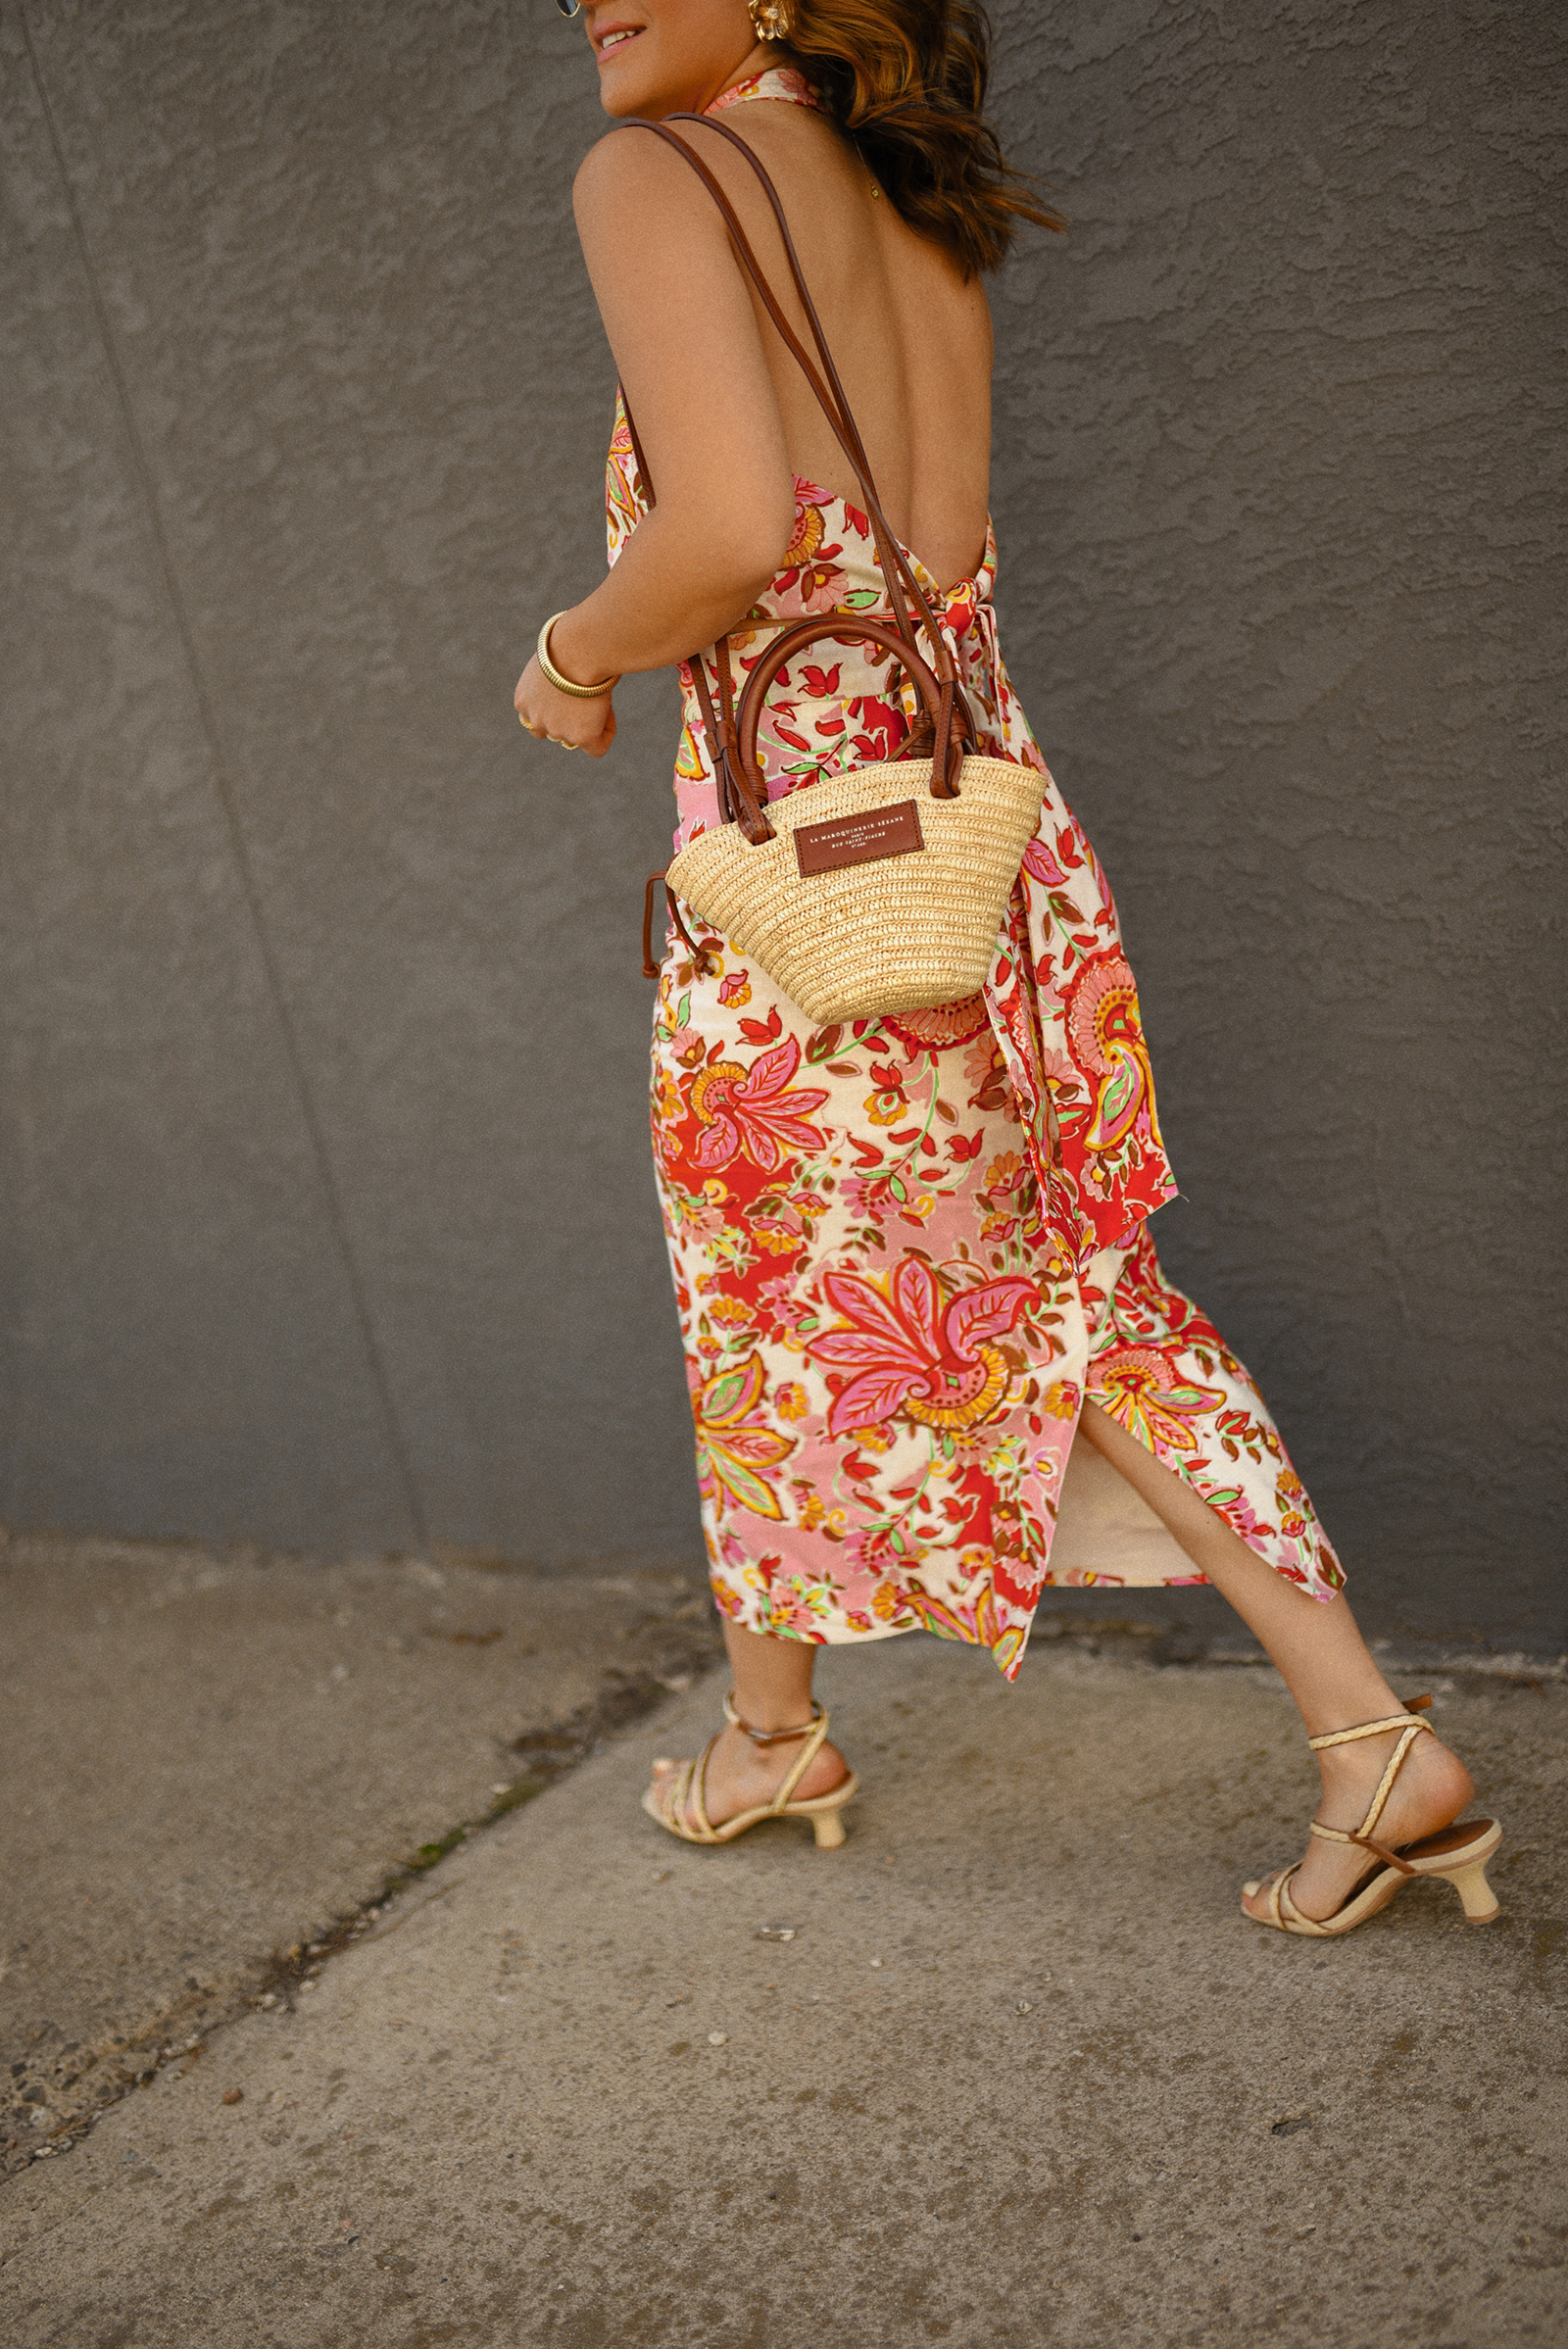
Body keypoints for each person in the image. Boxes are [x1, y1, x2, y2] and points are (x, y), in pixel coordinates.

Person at [515, 0, 1500, 1936]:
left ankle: (1328, 1737)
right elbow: (921, 545)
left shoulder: (649, 175)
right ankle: (1327, 1743)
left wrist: (565, 650)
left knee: (794, 1291)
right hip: (988, 839)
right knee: (1039, 1289)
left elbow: (724, 531)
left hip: (812, 867)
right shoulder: (911, 203)